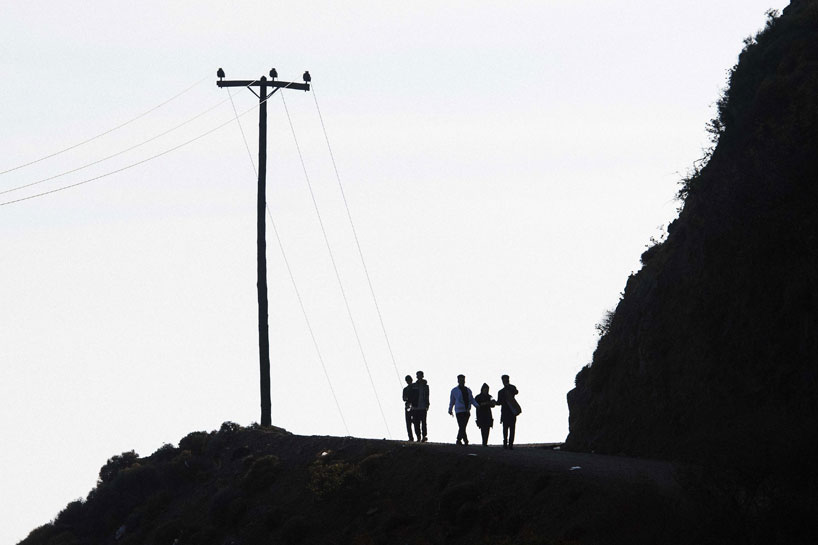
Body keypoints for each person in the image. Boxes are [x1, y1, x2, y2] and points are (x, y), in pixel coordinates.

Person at [448, 374, 479, 445]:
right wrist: (450, 409)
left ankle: (462, 440)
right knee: (462, 426)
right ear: (458, 381)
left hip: (467, 411)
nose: (462, 381)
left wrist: (476, 405)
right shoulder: (454, 390)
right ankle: (463, 440)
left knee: (463, 426)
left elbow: (471, 399)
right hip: (459, 411)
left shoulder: (468, 390)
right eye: (460, 380)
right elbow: (452, 401)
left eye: (463, 380)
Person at [496, 375, 520, 449]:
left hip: (511, 412)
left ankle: (509, 444)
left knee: (510, 428)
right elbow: (499, 402)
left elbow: (516, 392)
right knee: (506, 429)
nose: (505, 381)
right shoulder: (501, 391)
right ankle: (507, 444)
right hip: (506, 412)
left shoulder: (510, 388)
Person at [411, 370, 430, 442]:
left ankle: (424, 436)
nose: (418, 377)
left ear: (422, 376)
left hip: (423, 407)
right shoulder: (414, 385)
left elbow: (427, 396)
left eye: (420, 375)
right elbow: (411, 395)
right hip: (415, 407)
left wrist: (427, 404)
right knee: (416, 423)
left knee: (424, 422)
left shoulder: (426, 386)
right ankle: (418, 436)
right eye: (418, 375)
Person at [402, 375, 415, 441]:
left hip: (415, 406)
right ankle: (410, 437)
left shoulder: (415, 388)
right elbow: (403, 398)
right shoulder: (405, 389)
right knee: (408, 422)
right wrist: (406, 398)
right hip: (408, 406)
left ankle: (417, 436)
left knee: (415, 422)